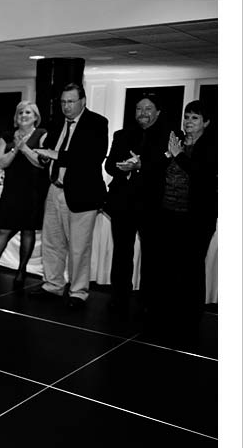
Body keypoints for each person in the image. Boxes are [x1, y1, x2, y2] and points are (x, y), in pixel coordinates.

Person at [32, 83, 108, 309]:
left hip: (82, 195)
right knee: (52, 243)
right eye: (63, 102)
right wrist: (46, 158)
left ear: (83, 101)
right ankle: (52, 286)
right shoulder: (57, 123)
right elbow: (52, 152)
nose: (66, 106)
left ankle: (78, 292)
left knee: (78, 248)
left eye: (71, 101)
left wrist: (55, 154)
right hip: (54, 189)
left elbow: (91, 158)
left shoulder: (97, 123)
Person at [144, 100, 216, 334]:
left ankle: (191, 315)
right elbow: (157, 170)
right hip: (168, 214)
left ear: (206, 122)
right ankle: (168, 311)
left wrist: (180, 155)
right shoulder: (176, 143)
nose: (188, 121)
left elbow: (202, 176)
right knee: (168, 265)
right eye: (186, 116)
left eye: (195, 118)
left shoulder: (211, 146)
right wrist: (170, 153)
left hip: (195, 218)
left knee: (192, 267)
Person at [103, 93, 171, 313]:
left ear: (158, 112)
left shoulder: (168, 136)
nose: (143, 113)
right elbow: (109, 166)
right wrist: (123, 166)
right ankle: (119, 297)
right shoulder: (121, 135)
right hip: (122, 203)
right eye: (139, 109)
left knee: (152, 255)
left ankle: (149, 300)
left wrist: (140, 166)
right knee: (122, 252)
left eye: (148, 108)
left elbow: (165, 167)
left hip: (151, 204)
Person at [0, 101, 49, 287]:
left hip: (33, 190)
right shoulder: (7, 136)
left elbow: (41, 163)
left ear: (35, 116)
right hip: (12, 190)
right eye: (20, 112)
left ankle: (21, 271)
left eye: (28, 112)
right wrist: (15, 148)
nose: (23, 115)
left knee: (27, 231)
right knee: (2, 230)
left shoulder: (41, 134)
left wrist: (25, 148)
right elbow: (0, 163)